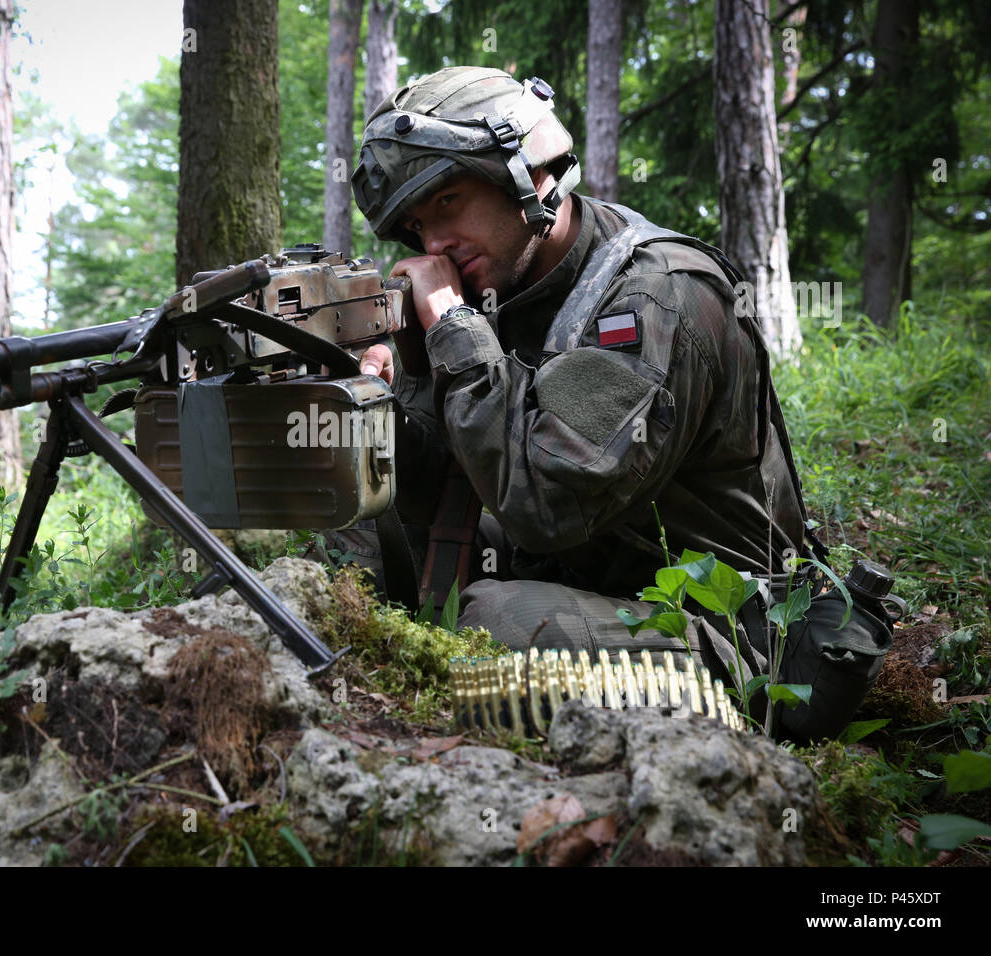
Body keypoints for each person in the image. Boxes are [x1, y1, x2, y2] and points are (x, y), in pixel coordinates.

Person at [339, 65, 818, 697]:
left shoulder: (655, 298)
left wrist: (454, 328)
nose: (435, 244)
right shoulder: (509, 282)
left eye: (447, 203)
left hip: (724, 619)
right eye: (417, 228)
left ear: (527, 172)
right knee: (357, 514)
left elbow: (546, 503)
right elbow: (440, 491)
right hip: (582, 568)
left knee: (495, 622)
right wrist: (371, 397)